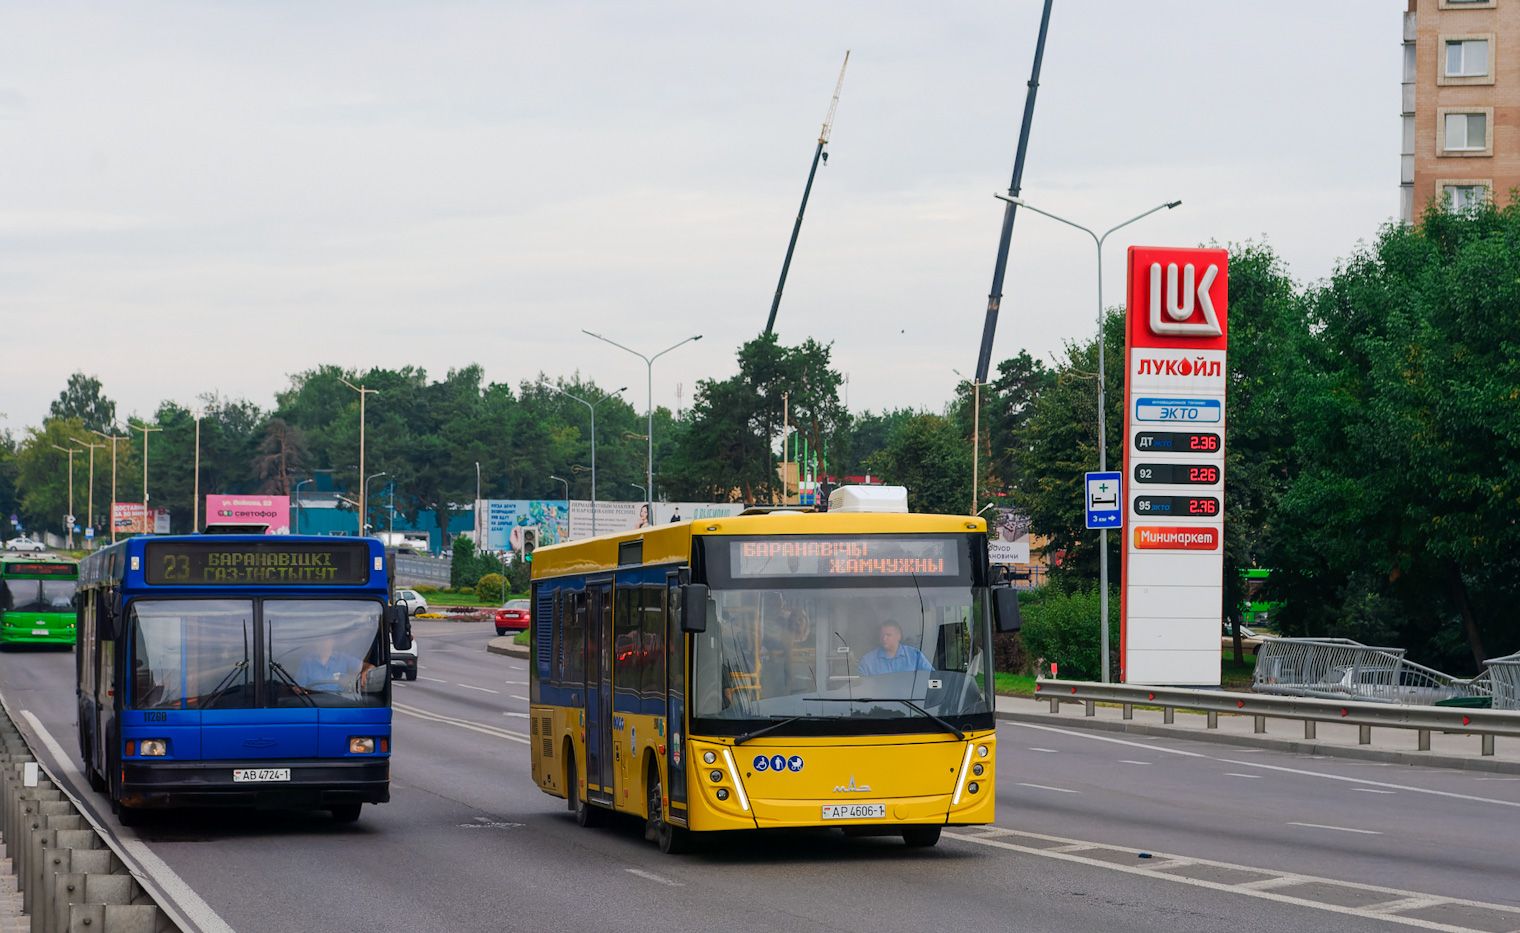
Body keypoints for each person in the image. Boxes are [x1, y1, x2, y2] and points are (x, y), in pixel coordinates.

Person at [295, 635, 373, 693]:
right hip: (314, 701)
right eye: (320, 638)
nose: (324, 642)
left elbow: (370, 666)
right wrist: (297, 690)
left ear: (333, 641)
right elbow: (299, 687)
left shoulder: (343, 658)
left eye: (327, 638)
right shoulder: (306, 661)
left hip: (339, 701)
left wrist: (365, 671)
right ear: (315, 642)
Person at [856, 620, 934, 676]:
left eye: (888, 635)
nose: (884, 638)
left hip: (909, 698)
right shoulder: (868, 659)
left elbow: (932, 676)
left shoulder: (915, 655)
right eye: (882, 635)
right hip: (878, 698)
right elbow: (859, 684)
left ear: (898, 636)